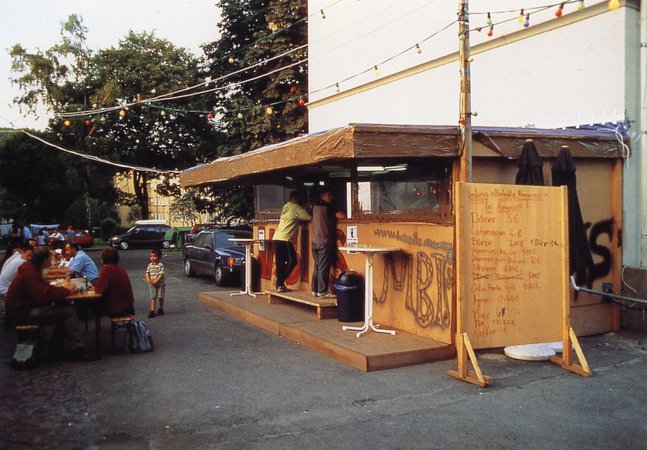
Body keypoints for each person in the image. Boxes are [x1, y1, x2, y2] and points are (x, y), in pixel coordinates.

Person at [5, 247, 88, 361]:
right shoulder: (30, 273)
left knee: (63, 308)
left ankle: (55, 347)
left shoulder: (30, 269)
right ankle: (77, 349)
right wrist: (67, 291)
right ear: (44, 261)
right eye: (49, 259)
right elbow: (44, 295)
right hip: (23, 313)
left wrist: (61, 289)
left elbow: (44, 289)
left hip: (22, 310)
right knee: (69, 311)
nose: (51, 261)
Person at [272, 191, 311, 292]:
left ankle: (280, 284)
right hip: (285, 239)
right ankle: (280, 282)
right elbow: (308, 217)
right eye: (298, 199)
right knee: (292, 261)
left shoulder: (285, 207)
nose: (299, 201)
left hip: (277, 237)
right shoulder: (296, 207)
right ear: (294, 198)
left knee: (280, 263)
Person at [311, 189, 345, 297]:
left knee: (317, 267)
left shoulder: (314, 206)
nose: (331, 196)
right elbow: (341, 216)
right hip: (324, 241)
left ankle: (314, 290)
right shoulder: (328, 207)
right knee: (323, 267)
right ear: (323, 195)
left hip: (314, 241)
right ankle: (322, 291)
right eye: (329, 194)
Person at [94, 247, 135, 317]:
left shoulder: (107, 269)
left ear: (104, 259)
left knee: (89, 304)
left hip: (117, 308)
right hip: (128, 306)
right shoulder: (121, 269)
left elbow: (98, 289)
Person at [145, 248, 165, 318]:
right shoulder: (150, 265)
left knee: (160, 296)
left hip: (160, 284)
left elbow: (161, 274)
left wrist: (156, 281)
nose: (152, 258)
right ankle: (152, 310)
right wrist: (148, 280)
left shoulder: (160, 265)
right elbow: (147, 273)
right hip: (152, 284)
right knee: (153, 297)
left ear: (159, 257)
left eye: (154, 256)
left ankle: (161, 308)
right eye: (151, 256)